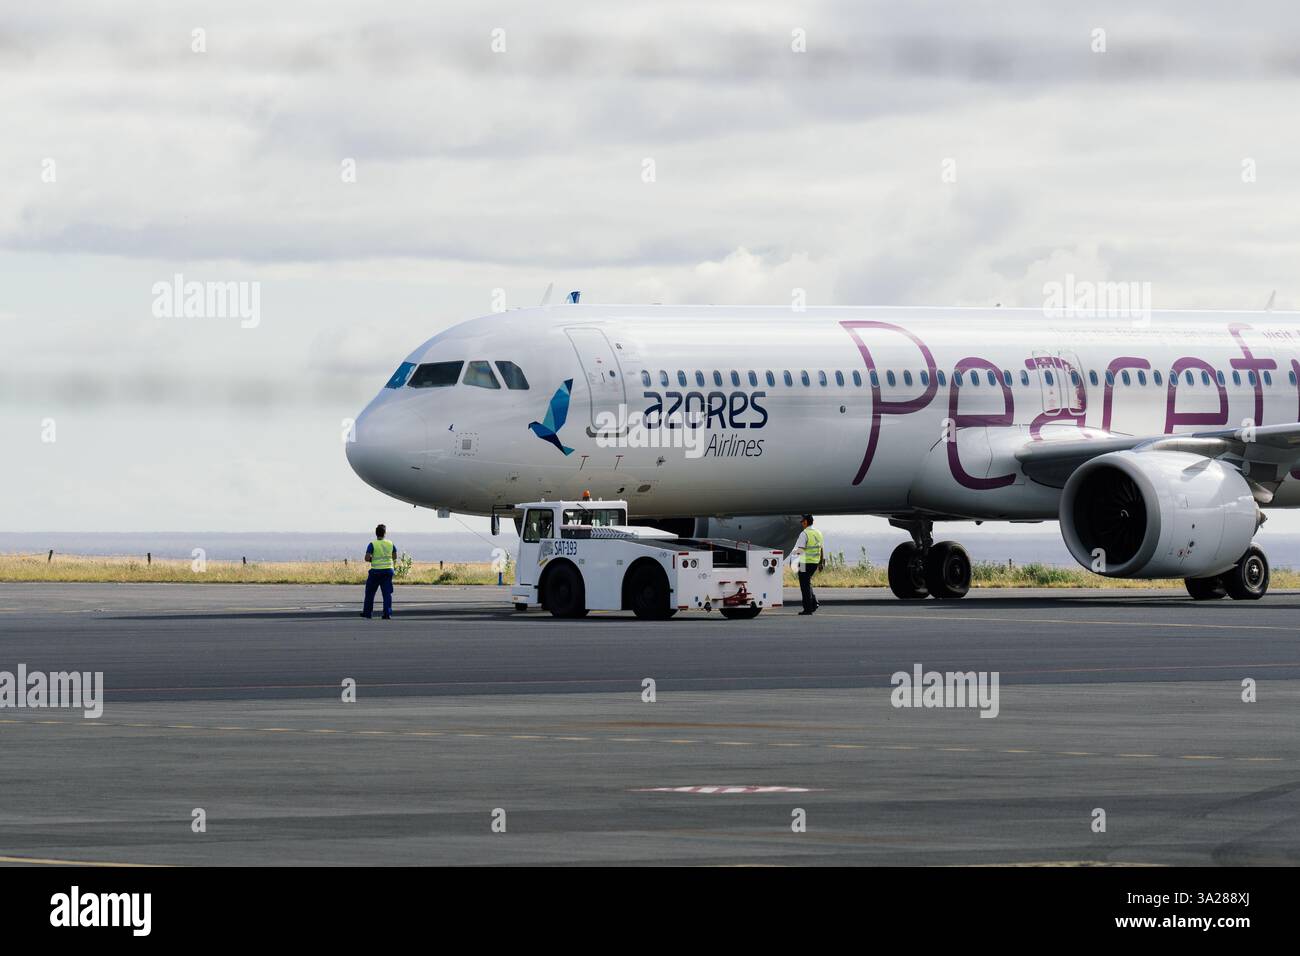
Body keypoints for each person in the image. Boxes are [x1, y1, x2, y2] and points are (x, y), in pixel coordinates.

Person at [361, 524, 398, 619]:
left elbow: (367, 558)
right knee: (387, 593)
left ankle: (367, 613)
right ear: (385, 533)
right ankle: (387, 613)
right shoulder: (390, 544)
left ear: (376, 533)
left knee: (370, 592)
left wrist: (372, 560)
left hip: (376, 572)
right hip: (388, 571)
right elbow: (394, 556)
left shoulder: (372, 544)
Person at [791, 514, 823, 615]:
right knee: (807, 583)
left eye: (802, 521)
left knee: (804, 586)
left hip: (805, 563)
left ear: (805, 522)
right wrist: (821, 562)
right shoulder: (818, 533)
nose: (801, 523)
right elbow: (821, 549)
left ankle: (808, 609)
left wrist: (793, 559)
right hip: (814, 562)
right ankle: (814, 603)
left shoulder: (804, 533)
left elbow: (801, 549)